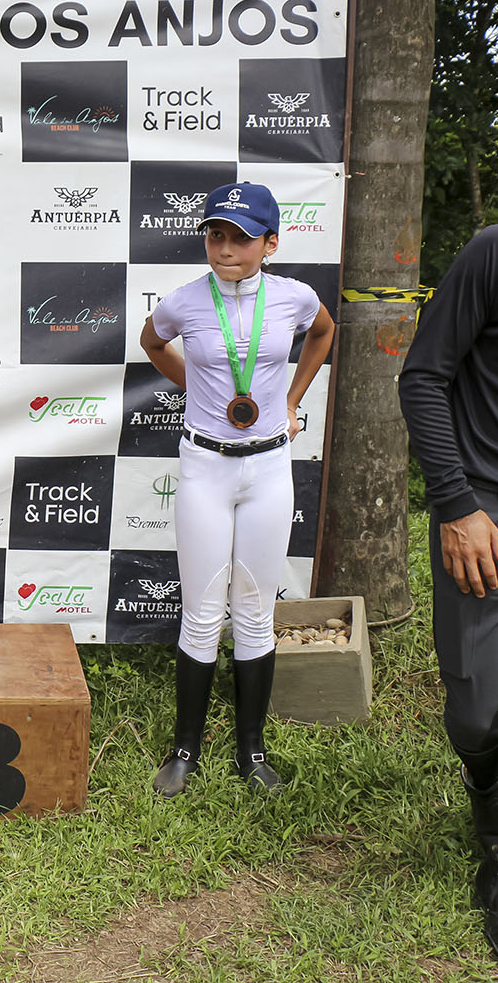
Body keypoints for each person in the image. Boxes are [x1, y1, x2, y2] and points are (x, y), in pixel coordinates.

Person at [139, 182, 335, 797]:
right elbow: (152, 343)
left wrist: (293, 399)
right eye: (215, 234)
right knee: (200, 612)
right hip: (205, 467)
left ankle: (251, 751)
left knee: (254, 609)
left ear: (269, 243)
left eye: (241, 237)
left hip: (270, 467)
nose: (224, 247)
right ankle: (184, 751)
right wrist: (194, 382)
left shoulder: (295, 297)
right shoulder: (184, 301)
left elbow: (325, 333)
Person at [399, 215, 498, 971]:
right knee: (479, 711)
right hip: (493, 518)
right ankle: (481, 780)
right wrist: (455, 506)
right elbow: (424, 375)